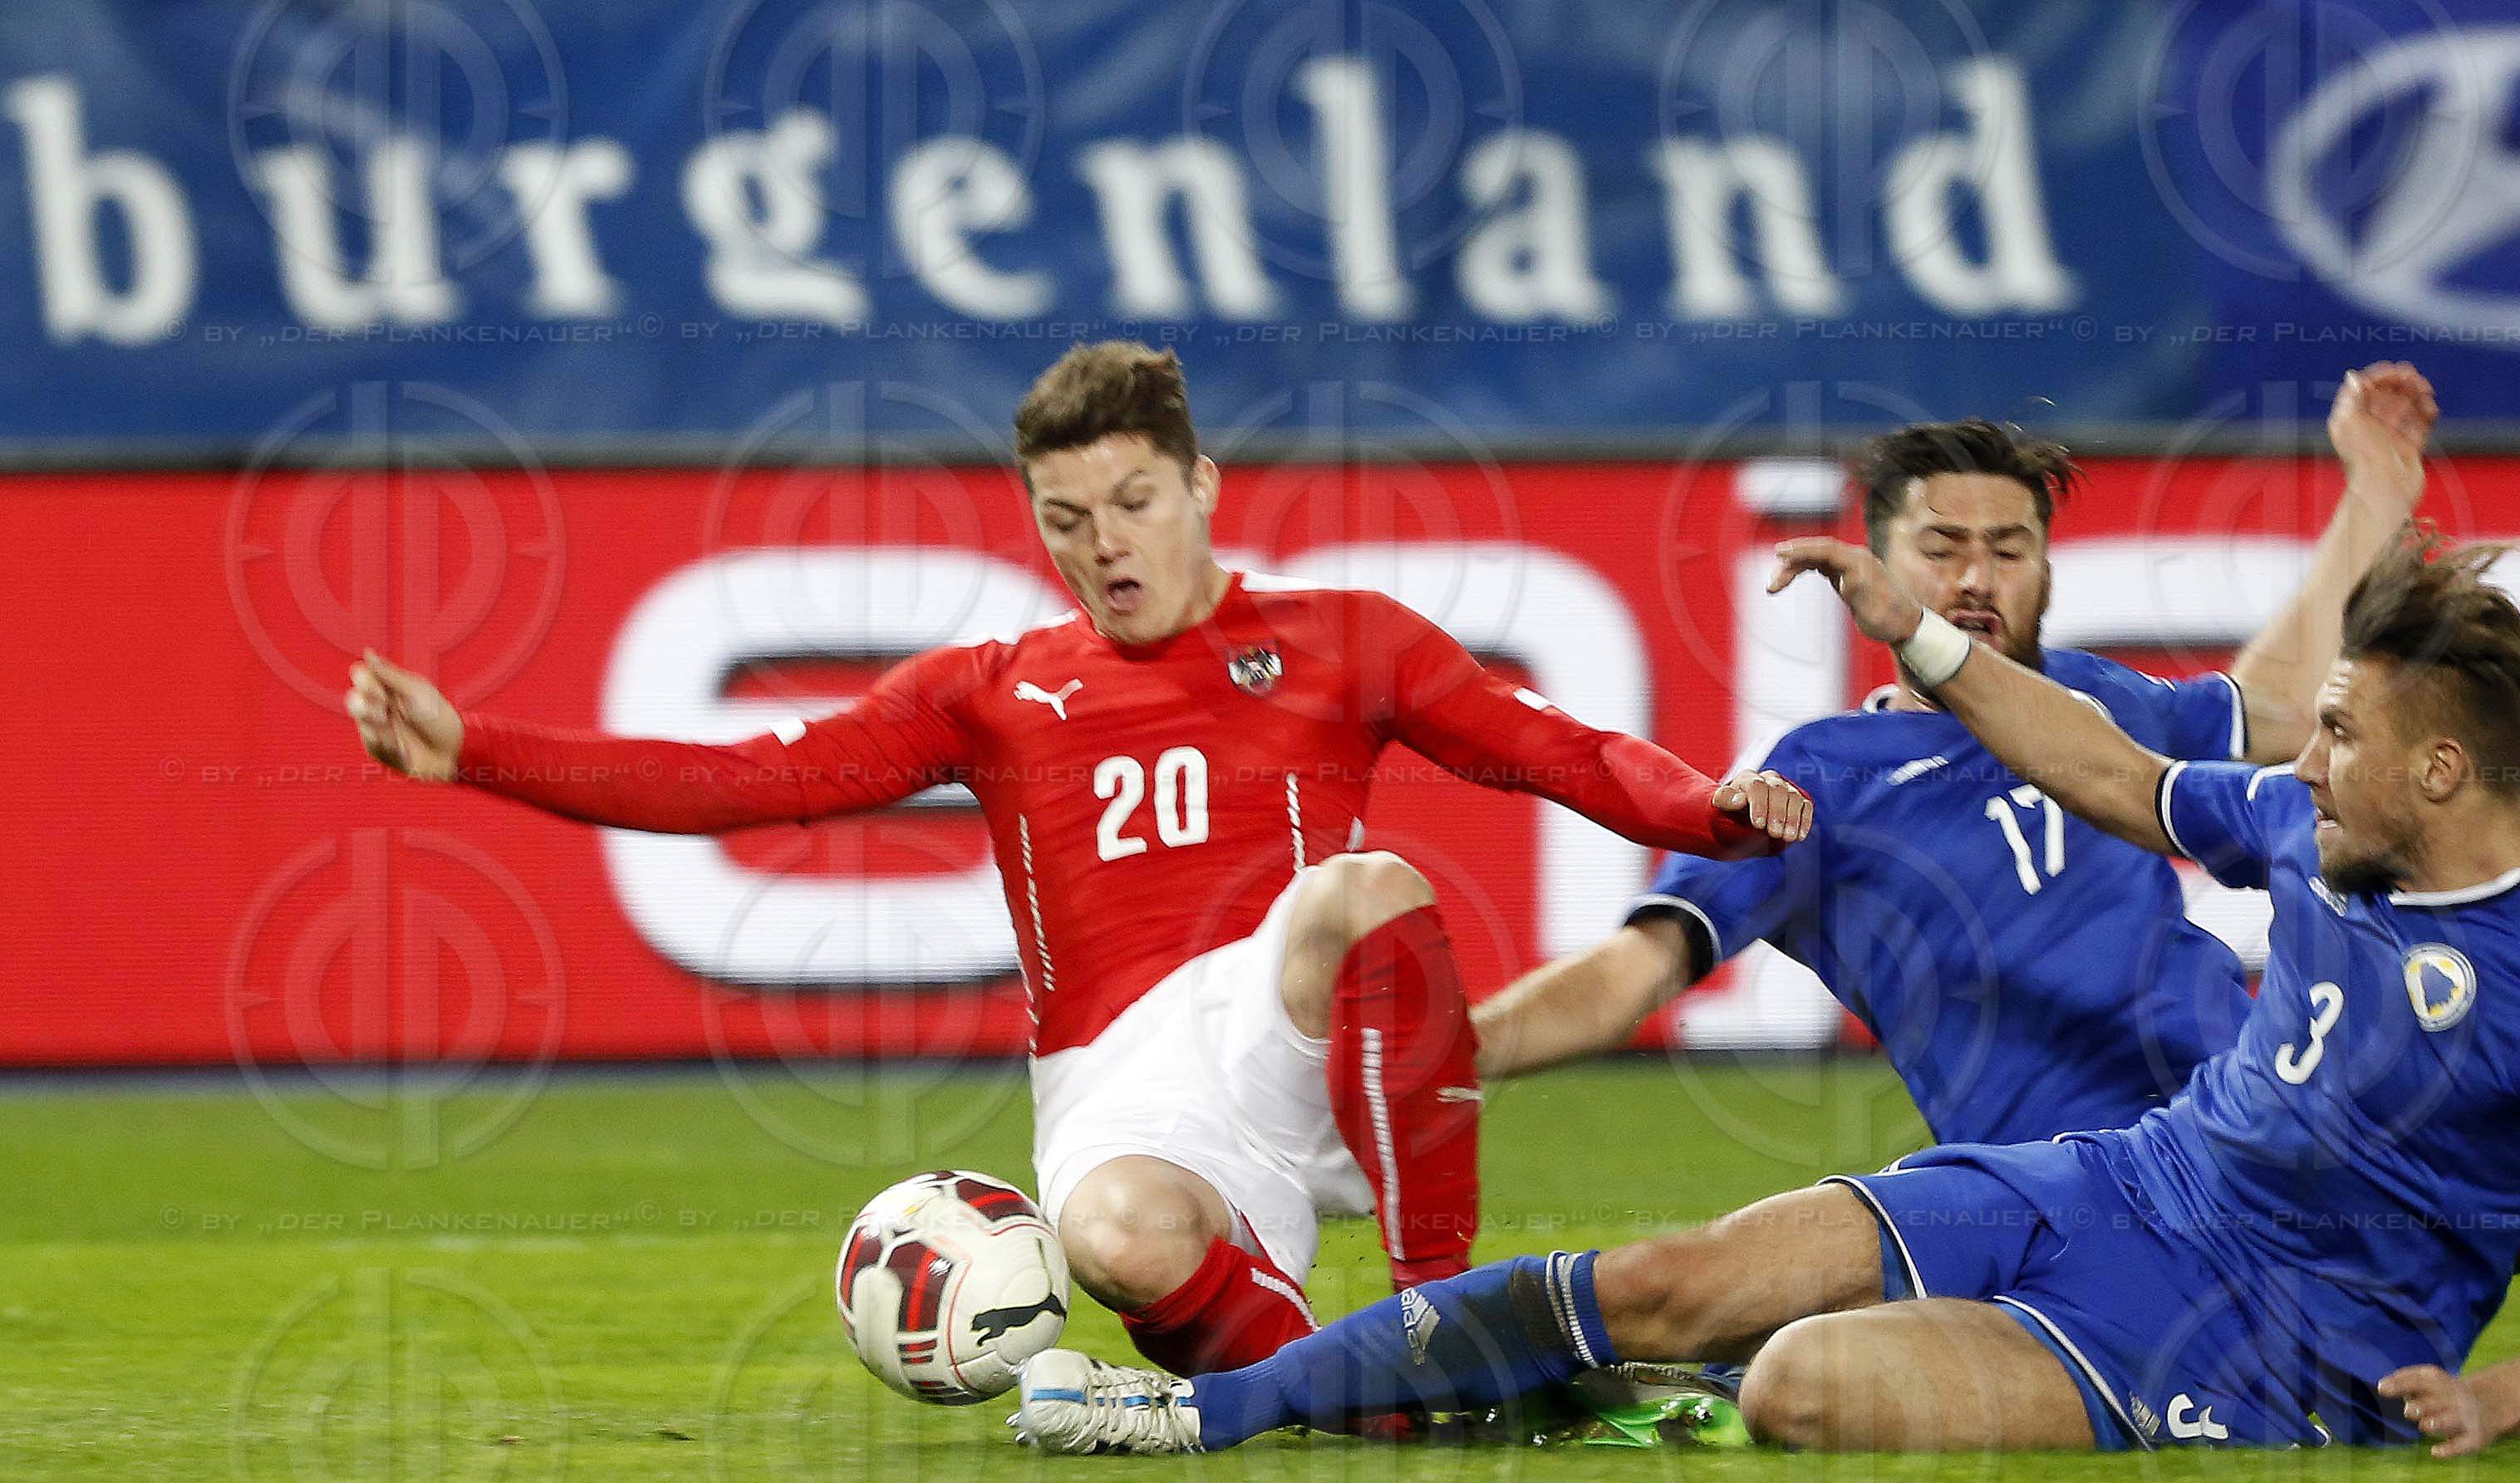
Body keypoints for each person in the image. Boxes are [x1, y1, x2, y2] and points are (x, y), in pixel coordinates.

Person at [1019, 533, 2520, 1456]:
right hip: (2111, 1176)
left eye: (2344, 736)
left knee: (1798, 1387)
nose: (2304, 757)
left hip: (2275, 1346)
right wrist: (1919, 648)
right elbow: (2120, 775)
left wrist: (2496, 1399)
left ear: (2445, 768)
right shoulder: (2312, 827)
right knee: (1669, 1277)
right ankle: (1193, 1414)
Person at [1475, 376, 2520, 1434]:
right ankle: (1576, 1380)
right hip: (2078, 1188)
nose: (1974, 578)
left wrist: (2363, 503)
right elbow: (1631, 976)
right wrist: (1443, 1056)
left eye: (2008, 544)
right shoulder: (1819, 773)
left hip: (2290, 1139)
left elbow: (2271, 710)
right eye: (1939, 549)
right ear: (1879, 568)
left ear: (2046, 564)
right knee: (1770, 1317)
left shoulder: (2109, 713)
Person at [344, 340, 1810, 1382]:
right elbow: (747, 780)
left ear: (1203, 486)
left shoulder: (1344, 640)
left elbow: (1562, 752)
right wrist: (476, 749)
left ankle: (1441, 1319)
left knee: (1359, 893)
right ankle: (1365, 1400)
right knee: (1109, 1237)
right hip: (1125, 1084)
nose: (1103, 545)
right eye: (1064, 519)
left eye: (1133, 503)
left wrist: (1708, 812)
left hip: (1304, 1026)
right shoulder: (989, 687)